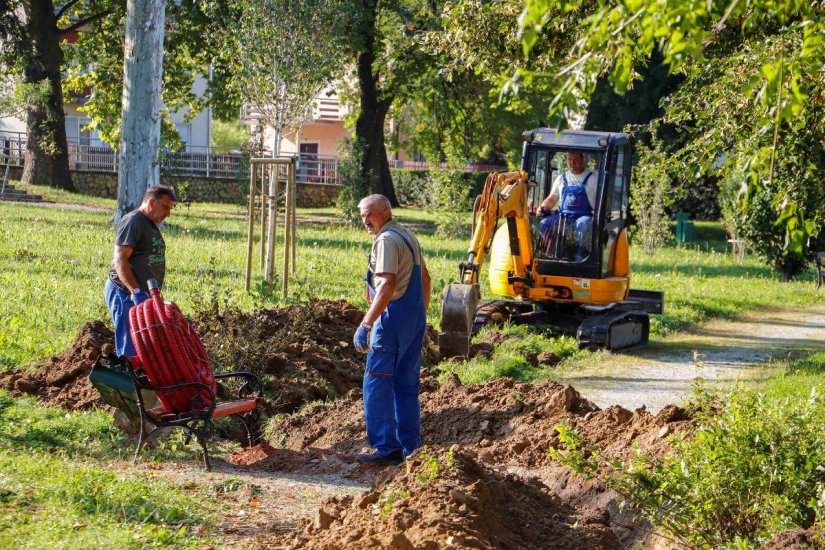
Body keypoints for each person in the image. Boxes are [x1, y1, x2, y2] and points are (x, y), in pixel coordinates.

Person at [353, 194, 431, 466]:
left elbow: (386, 284)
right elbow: (425, 279)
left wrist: (367, 323)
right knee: (406, 386)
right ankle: (411, 448)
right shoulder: (406, 234)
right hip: (412, 320)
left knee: (376, 382)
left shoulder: (386, 240)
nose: (365, 220)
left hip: (391, 321)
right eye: (362, 215)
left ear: (385, 212)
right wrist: (421, 314)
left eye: (370, 214)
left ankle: (386, 449)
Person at [104, 185, 177, 358]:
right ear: (151, 202)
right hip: (125, 294)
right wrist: (136, 291)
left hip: (143, 298)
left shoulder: (149, 224)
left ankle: (138, 382)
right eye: (166, 207)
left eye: (170, 209)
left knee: (142, 347)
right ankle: (125, 383)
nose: (168, 214)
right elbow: (120, 260)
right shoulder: (133, 221)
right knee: (130, 350)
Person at [537, 152, 597, 260]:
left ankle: (580, 260)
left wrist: (598, 216)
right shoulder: (561, 178)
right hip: (563, 217)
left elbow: (601, 203)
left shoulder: (593, 179)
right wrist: (543, 207)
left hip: (584, 216)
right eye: (569, 160)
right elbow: (551, 198)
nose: (572, 163)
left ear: (582, 159)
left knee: (583, 225)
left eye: (575, 160)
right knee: (545, 223)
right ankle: (551, 256)